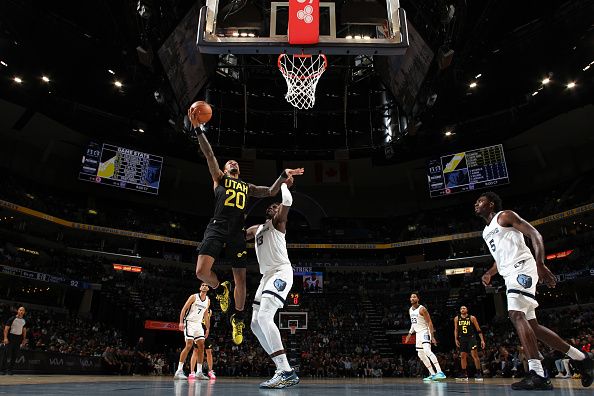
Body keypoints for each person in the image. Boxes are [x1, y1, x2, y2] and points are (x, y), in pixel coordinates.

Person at [187, 106, 304, 345]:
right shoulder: (219, 178)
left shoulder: (247, 187)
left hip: (237, 232)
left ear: (238, 170)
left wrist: (284, 174)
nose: (232, 163)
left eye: (234, 163)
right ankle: (220, 290)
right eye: (229, 162)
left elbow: (271, 191)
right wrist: (198, 128)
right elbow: (210, 155)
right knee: (201, 272)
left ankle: (237, 318)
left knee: (240, 278)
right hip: (217, 226)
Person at [476, 191, 593, 390]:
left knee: (515, 314)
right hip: (508, 274)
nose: (476, 204)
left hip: (522, 268)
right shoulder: (486, 232)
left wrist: (540, 264)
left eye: (480, 201)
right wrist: (489, 272)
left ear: (491, 205)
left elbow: (534, 234)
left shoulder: (505, 216)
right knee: (534, 327)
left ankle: (537, 373)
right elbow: (500, 258)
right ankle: (581, 358)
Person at [246, 177, 300, 389]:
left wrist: (285, 184)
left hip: (281, 272)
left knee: (266, 317)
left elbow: (286, 201)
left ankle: (286, 370)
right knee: (254, 323)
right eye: (271, 205)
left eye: (276, 206)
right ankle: (281, 368)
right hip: (266, 276)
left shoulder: (279, 223)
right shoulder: (257, 229)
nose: (273, 206)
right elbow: (240, 236)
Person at [404, 293, 446, 381]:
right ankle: (433, 374)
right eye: (411, 297)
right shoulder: (410, 310)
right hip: (418, 334)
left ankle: (440, 372)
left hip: (425, 331)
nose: (412, 298)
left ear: (418, 299)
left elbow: (430, 322)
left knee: (427, 350)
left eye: (414, 297)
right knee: (420, 354)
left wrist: (432, 336)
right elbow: (413, 323)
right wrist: (409, 334)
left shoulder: (422, 309)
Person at [174, 283, 210, 380]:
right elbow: (184, 309)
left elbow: (206, 315)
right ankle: (179, 370)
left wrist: (207, 328)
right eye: (202, 285)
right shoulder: (194, 297)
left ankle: (199, 372)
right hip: (189, 322)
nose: (204, 286)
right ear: (200, 287)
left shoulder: (208, 300)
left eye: (206, 285)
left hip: (198, 324)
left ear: (208, 288)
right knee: (189, 345)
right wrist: (181, 322)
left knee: (201, 346)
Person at [454, 305, 486, 379]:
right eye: (461, 308)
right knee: (462, 356)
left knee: (474, 355)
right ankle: (464, 374)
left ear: (467, 310)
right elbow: (456, 330)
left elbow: (478, 329)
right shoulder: (456, 318)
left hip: (471, 338)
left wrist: (482, 340)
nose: (462, 309)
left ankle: (478, 373)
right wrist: (456, 339)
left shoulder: (472, 318)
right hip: (462, 339)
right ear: (460, 310)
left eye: (464, 308)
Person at [189, 307, 216, 380]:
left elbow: (208, 321)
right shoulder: (197, 308)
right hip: (198, 329)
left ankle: (210, 371)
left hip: (205, 330)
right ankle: (192, 372)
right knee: (195, 350)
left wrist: (208, 329)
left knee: (209, 351)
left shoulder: (210, 311)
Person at [1, 306, 28, 375]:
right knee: (6, 354)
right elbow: (6, 329)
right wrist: (5, 338)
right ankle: (2, 370)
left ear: (24, 312)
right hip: (10, 337)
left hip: (18, 338)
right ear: (18, 311)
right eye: (20, 310)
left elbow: (24, 330)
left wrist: (24, 339)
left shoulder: (24, 320)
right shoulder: (12, 319)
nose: (21, 311)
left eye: (23, 310)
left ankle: (10, 370)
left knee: (14, 355)